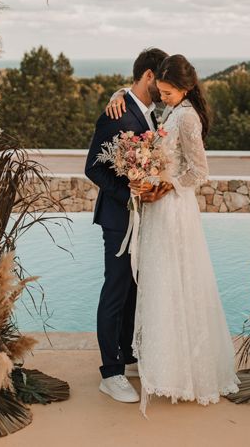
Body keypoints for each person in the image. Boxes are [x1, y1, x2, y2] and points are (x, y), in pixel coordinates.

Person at [121, 54, 239, 414]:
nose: (163, 97)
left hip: (174, 211)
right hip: (158, 210)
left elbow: (199, 171)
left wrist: (167, 185)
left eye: (169, 93)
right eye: (161, 91)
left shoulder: (186, 117)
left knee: (176, 282)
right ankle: (163, 363)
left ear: (185, 89)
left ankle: (186, 371)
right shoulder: (172, 111)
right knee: (160, 285)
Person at [84, 48, 172, 403]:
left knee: (135, 290)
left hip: (143, 219)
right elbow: (93, 167)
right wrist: (129, 193)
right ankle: (110, 372)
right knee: (116, 292)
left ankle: (127, 354)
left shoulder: (147, 111)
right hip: (120, 219)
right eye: (161, 80)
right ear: (149, 75)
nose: (164, 87)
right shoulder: (116, 114)